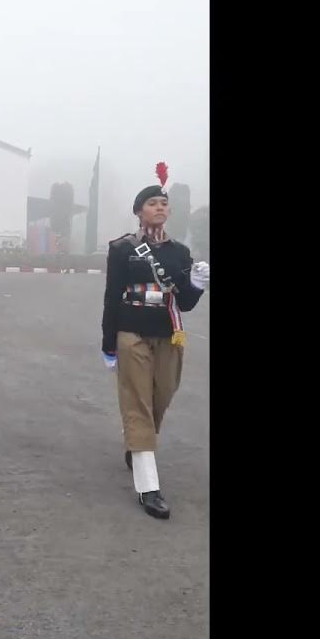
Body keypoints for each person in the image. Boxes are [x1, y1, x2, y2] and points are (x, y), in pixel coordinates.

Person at [100, 162, 210, 519]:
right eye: (152, 203)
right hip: (131, 331)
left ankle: (137, 444)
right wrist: (108, 343)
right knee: (137, 404)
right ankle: (149, 486)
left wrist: (196, 283)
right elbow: (112, 296)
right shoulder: (122, 249)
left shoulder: (179, 253)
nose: (160, 207)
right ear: (138, 211)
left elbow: (187, 304)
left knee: (160, 398)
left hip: (169, 333)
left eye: (164, 202)